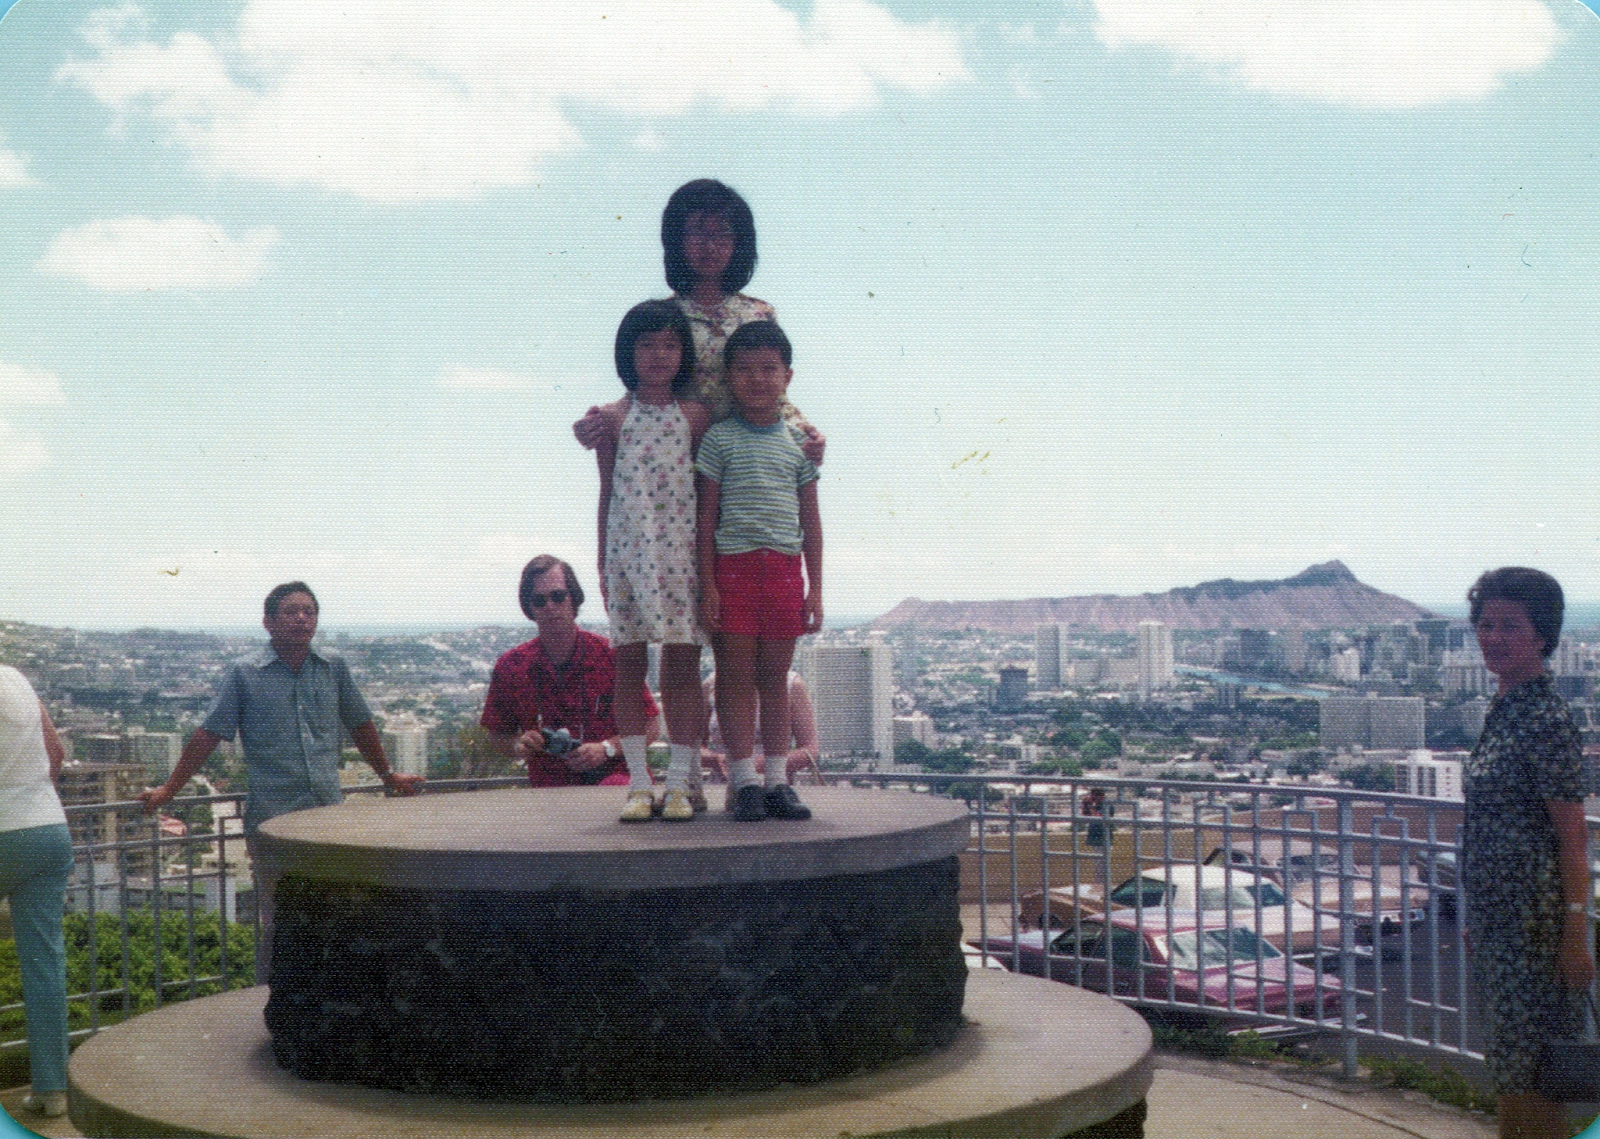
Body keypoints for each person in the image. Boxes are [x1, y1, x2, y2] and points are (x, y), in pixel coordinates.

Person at [139, 582, 423, 982]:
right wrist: (170, 789)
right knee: (276, 920)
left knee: (333, 915)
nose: (302, 618)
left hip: (326, 815)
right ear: (268, 622)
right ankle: (272, 1007)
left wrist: (387, 775)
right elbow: (209, 734)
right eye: (291, 611)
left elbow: (360, 722)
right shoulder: (245, 673)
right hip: (273, 818)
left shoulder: (333, 666)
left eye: (309, 611)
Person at [1461, 567, 1594, 1139]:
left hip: (1536, 933)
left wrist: (1574, 934)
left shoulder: (1543, 718)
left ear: (1542, 635)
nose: (1493, 637)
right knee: (1518, 1071)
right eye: (1485, 624)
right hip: (1502, 928)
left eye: (1510, 626)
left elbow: (1572, 837)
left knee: (1532, 1078)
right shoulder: (1505, 709)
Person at [573, 179, 823, 460]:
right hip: (677, 463)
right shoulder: (663, 319)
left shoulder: (758, 315)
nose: (710, 246)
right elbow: (643, 392)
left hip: (745, 459)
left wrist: (807, 434)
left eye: (722, 234)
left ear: (740, 242)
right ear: (676, 240)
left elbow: (774, 393)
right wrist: (595, 424)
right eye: (697, 233)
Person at [696, 321, 822, 821]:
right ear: (728, 378)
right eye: (745, 370)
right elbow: (706, 521)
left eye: (769, 369)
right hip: (734, 571)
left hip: (785, 573)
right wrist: (707, 584)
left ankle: (775, 782)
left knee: (775, 681)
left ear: (787, 377)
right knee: (733, 677)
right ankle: (744, 780)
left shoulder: (799, 444)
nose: (757, 379)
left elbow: (811, 523)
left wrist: (815, 590)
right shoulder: (719, 440)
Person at [593, 301, 710, 822]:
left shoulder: (696, 416)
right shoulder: (613, 417)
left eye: (669, 344)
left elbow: (708, 497)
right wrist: (601, 560)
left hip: (681, 555)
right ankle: (640, 784)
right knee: (629, 668)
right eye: (646, 344)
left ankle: (680, 785)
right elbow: (606, 492)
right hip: (628, 554)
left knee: (683, 669)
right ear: (628, 352)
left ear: (683, 353)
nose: (659, 355)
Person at [481, 556, 659, 789]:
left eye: (558, 596)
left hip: (617, 780)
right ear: (529, 607)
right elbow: (497, 735)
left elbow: (651, 725)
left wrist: (606, 749)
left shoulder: (609, 655)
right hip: (550, 788)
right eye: (539, 600)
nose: (550, 607)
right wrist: (519, 745)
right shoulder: (511, 666)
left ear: (573, 597)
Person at [0, 666, 72, 1119]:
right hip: (46, 828)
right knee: (45, 965)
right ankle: (52, 1090)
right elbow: (56, 754)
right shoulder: (17, 679)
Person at [700, 670, 822, 808]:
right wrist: (716, 759)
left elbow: (810, 749)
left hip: (773, 785)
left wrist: (763, 763)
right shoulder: (711, 684)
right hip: (723, 787)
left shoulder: (791, 684)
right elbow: (694, 746)